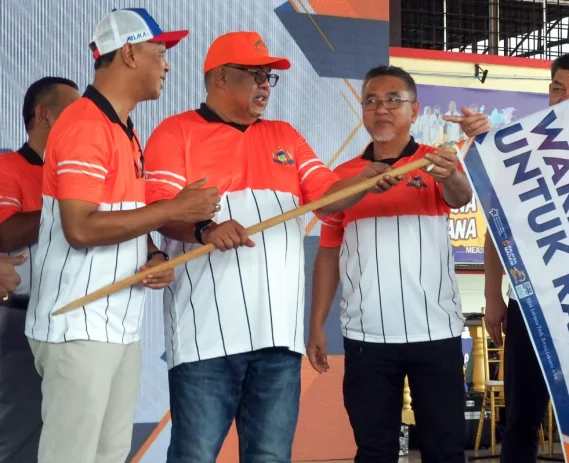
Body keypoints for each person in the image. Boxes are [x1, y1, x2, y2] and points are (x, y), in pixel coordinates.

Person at [143, 31, 401, 463]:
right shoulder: (176, 132)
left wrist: (364, 180)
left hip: (279, 339)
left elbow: (327, 197)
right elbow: (157, 211)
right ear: (221, 78)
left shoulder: (286, 136)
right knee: (194, 455)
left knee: (271, 457)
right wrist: (205, 229)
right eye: (256, 75)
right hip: (205, 337)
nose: (265, 85)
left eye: (269, 77)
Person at [24, 9, 219, 463]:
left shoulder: (122, 128)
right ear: (129, 54)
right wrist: (173, 209)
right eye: (160, 52)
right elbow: (80, 228)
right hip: (77, 324)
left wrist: (153, 254)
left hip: (115, 325)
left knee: (109, 455)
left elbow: (124, 214)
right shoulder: (85, 124)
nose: (167, 65)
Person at [446, 51, 569, 462]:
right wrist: (493, 297)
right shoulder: (523, 151)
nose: (564, 98)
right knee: (521, 418)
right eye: (557, 89)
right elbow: (497, 227)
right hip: (531, 306)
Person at [308, 65, 472, 462]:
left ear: (414, 110)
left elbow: (461, 196)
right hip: (367, 336)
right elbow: (328, 252)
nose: (381, 109)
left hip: (435, 331)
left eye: (393, 100)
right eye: (371, 101)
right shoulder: (344, 178)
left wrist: (449, 175)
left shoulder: (435, 162)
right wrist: (316, 324)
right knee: (374, 450)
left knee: (445, 450)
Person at [0, 76, 80, 463]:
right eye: (73, 112)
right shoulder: (8, 167)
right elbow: (5, 232)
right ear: (43, 115)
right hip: (19, 317)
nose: (83, 121)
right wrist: (72, 206)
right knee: (20, 436)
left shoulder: (75, 176)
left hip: (74, 320)